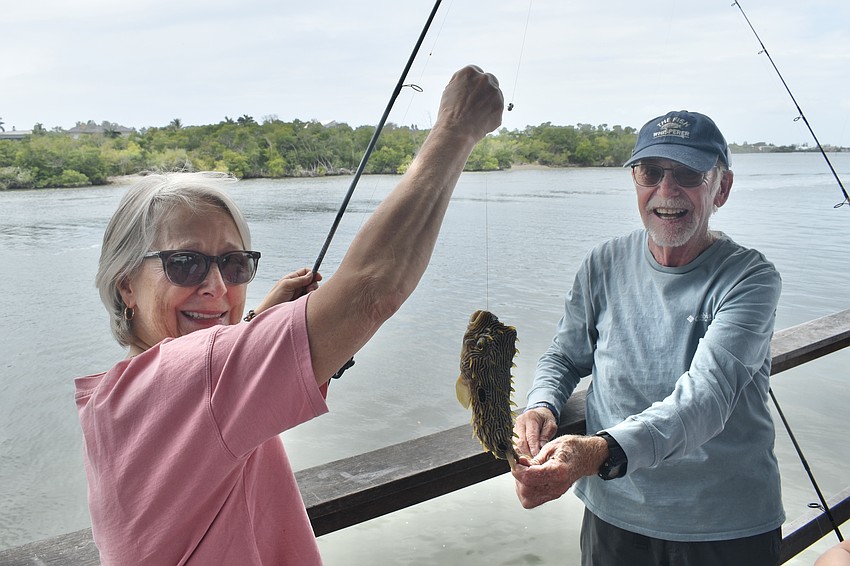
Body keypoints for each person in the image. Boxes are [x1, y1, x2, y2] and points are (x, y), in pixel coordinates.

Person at [75, 65, 503, 565]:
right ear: (125, 283)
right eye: (184, 263)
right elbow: (372, 290)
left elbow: (204, 398)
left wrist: (256, 324)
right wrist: (455, 130)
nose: (216, 286)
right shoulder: (189, 380)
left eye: (234, 264)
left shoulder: (118, 400)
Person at [512, 110, 784, 565]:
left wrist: (598, 452)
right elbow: (564, 355)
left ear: (723, 187)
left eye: (688, 173)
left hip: (723, 523)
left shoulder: (750, 278)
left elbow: (706, 399)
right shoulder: (604, 262)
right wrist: (541, 405)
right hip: (614, 513)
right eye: (650, 172)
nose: (667, 190)